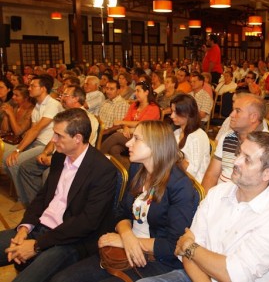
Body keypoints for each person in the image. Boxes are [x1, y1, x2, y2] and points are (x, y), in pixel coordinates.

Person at [136, 131, 269, 282]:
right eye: (239, 153)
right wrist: (190, 249)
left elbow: (233, 274)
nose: (236, 161)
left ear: (268, 173)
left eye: (247, 159)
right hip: (196, 275)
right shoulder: (218, 193)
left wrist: (190, 247)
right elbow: (184, 251)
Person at [50, 120, 199, 282]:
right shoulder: (137, 169)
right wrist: (127, 235)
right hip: (124, 248)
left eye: (136, 138)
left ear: (155, 145)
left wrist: (128, 241)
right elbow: (121, 212)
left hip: (157, 260)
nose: (128, 143)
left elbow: (174, 245)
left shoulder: (179, 185)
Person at [0, 108, 117, 282]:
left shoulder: (102, 170)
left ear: (77, 138)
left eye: (59, 135)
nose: (53, 140)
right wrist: (24, 228)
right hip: (38, 228)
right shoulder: (60, 157)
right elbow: (42, 197)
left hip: (68, 240)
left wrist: (37, 245)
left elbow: (86, 222)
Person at [18, 85, 100, 206]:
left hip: (72, 159)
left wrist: (54, 159)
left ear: (76, 99)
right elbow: (53, 140)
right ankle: (38, 204)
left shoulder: (89, 120)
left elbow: (79, 148)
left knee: (49, 175)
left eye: (65, 95)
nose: (61, 98)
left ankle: (52, 206)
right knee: (25, 167)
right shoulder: (64, 116)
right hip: (56, 155)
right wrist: (45, 152)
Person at [3, 75, 63, 212]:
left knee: (14, 161)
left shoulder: (53, 105)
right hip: (38, 141)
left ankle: (24, 199)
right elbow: (32, 130)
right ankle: (29, 194)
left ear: (43, 89)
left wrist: (18, 150)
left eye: (32, 86)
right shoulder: (38, 105)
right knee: (6, 157)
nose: (29, 88)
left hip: (47, 145)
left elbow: (37, 129)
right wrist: (18, 148)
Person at [202, 93, 268, 193]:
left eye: (238, 111)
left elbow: (263, 192)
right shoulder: (227, 137)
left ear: (253, 117)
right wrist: (205, 202)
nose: (231, 115)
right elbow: (212, 175)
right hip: (218, 198)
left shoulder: (268, 146)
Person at [101, 81, 160, 168]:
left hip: (144, 138)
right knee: (114, 149)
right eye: (135, 91)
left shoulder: (153, 108)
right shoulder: (134, 105)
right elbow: (126, 119)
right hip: (130, 135)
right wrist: (125, 128)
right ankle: (126, 172)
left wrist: (122, 123)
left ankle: (96, 158)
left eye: (138, 91)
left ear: (146, 92)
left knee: (116, 136)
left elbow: (142, 124)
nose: (135, 94)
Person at [170, 94, 210, 183]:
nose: (172, 116)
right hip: (178, 178)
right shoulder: (177, 133)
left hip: (194, 184)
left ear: (187, 113)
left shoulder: (197, 136)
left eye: (176, 112)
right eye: (172, 111)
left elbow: (192, 172)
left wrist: (176, 155)